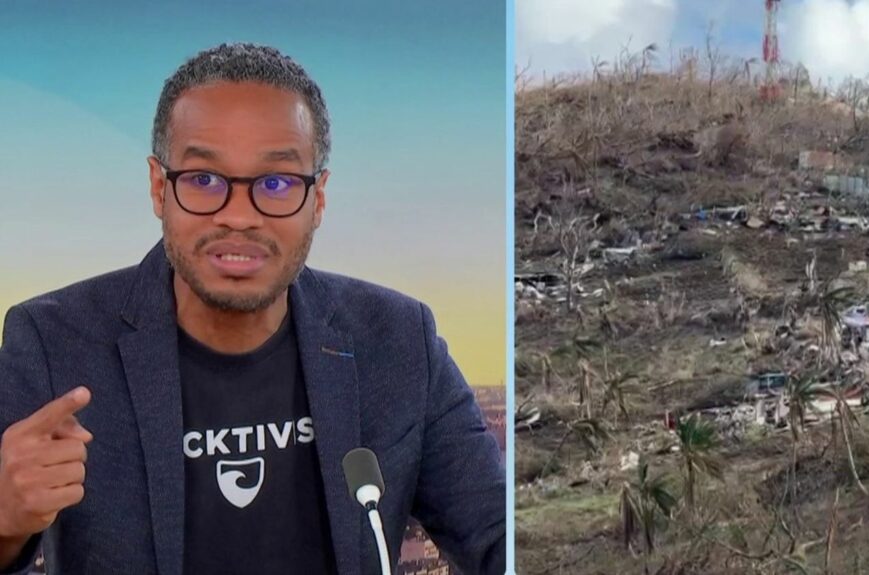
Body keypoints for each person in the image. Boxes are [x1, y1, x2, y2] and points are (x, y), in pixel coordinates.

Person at [0, 43, 505, 575]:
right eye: (203, 180)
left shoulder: (400, 341)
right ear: (158, 188)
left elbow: (496, 533)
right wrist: (6, 522)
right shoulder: (52, 343)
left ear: (318, 199)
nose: (239, 216)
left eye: (277, 183)